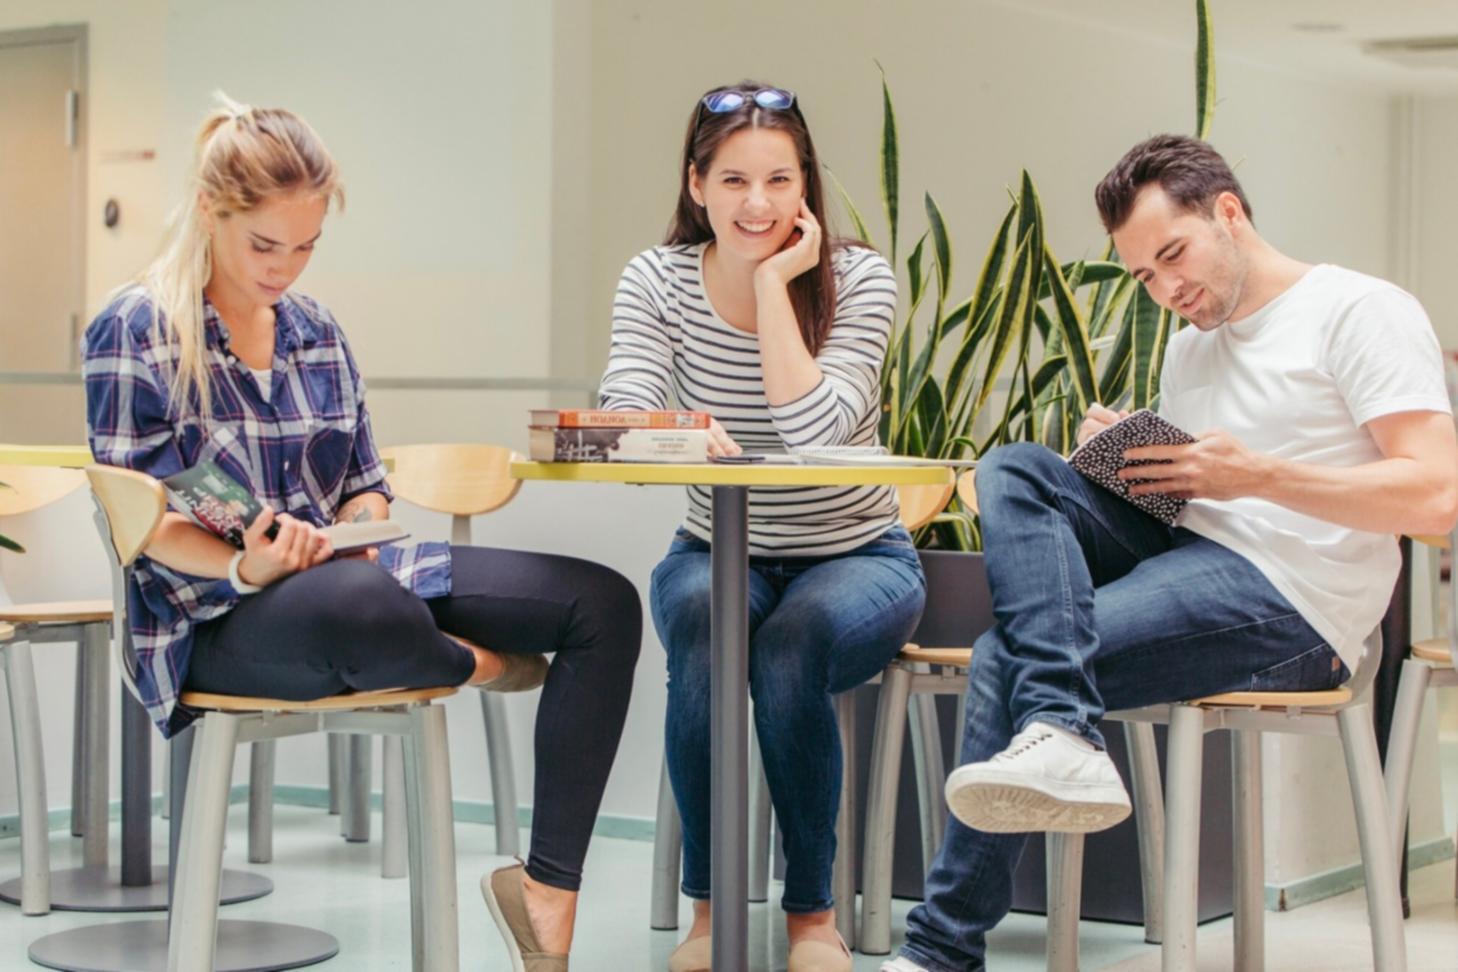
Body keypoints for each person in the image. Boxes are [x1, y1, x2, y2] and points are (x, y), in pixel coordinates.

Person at [82, 95, 640, 972]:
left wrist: (360, 525)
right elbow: (141, 517)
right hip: (217, 620)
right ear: (208, 212)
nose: (285, 269)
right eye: (265, 245)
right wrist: (246, 565)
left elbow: (364, 486)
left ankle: (546, 897)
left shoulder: (316, 332)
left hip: (353, 583)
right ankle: (472, 663)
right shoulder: (137, 329)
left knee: (603, 602)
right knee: (353, 604)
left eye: (305, 247)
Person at [882, 134, 1458, 972]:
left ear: (1228, 213)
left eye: (1173, 254)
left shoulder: (1360, 311)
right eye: (1144, 276)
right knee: (1016, 470)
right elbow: (1198, 497)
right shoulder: (1191, 345)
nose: (1167, 288)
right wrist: (1131, 459)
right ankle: (1061, 728)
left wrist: (1253, 474)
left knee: (1009, 656)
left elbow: (1436, 496)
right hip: (1194, 549)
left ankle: (943, 946)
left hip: (1297, 600)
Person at [597, 81, 926, 972]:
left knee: (790, 646)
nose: (758, 204)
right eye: (735, 180)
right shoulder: (657, 279)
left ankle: (811, 919)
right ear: (696, 184)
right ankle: (710, 918)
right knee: (708, 624)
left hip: (859, 558)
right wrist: (675, 431)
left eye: (781, 180)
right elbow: (622, 407)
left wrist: (777, 284)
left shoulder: (859, 278)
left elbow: (814, 429)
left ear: (806, 186)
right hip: (715, 548)